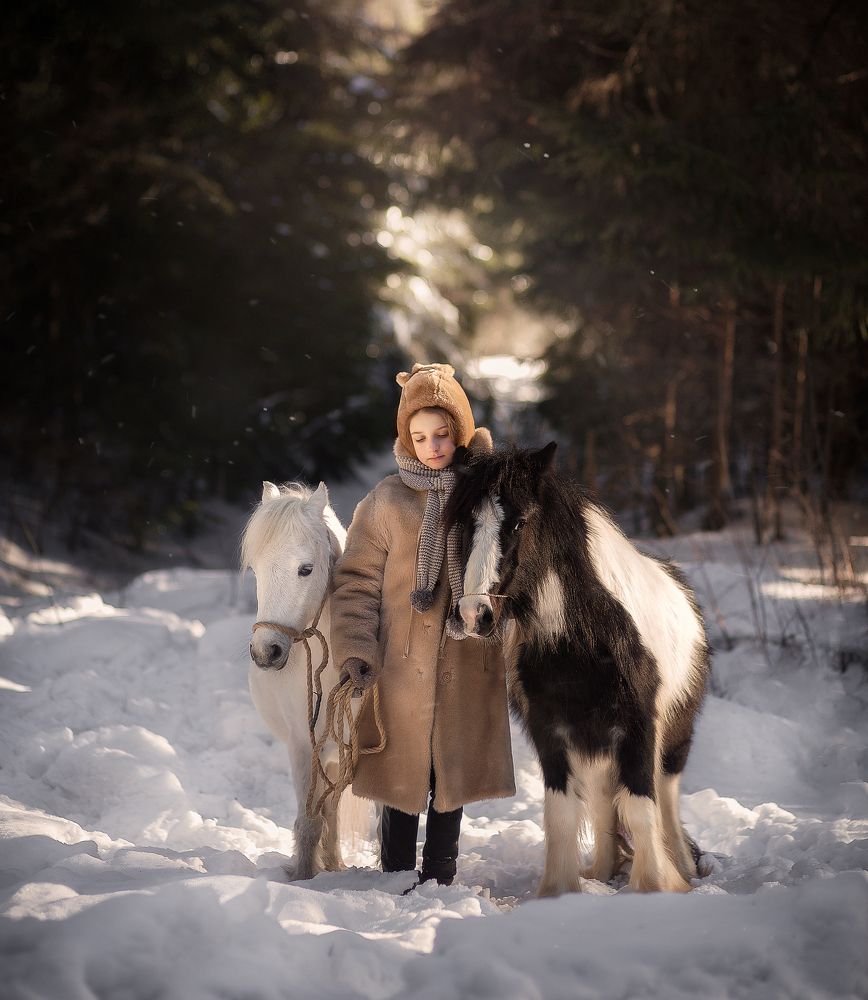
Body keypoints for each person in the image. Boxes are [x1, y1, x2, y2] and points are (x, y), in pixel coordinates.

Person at [330, 362, 515, 886]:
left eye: (441, 434)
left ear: (459, 430)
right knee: (401, 769)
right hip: (399, 663)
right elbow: (356, 581)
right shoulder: (387, 501)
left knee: (448, 773)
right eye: (419, 436)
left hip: (466, 657)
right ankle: (394, 871)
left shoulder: (484, 497)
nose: (432, 446)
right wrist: (357, 649)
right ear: (405, 440)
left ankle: (440, 872)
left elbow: (508, 566)